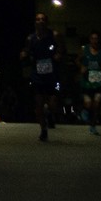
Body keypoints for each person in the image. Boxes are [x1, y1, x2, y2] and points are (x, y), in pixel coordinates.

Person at [20, 12, 63, 141]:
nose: (40, 22)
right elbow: (26, 50)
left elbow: (61, 49)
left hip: (52, 74)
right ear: (35, 22)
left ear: (47, 22)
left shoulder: (54, 35)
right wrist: (23, 54)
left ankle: (50, 114)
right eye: (38, 19)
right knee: (38, 104)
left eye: (43, 19)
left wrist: (58, 55)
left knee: (52, 103)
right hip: (37, 74)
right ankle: (43, 129)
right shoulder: (31, 38)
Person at [78, 30, 101, 133]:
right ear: (90, 39)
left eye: (97, 38)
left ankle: (93, 125)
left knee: (96, 104)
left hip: (98, 81)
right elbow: (77, 60)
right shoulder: (84, 49)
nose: (95, 41)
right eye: (93, 38)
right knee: (88, 104)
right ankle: (85, 111)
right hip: (86, 81)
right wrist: (81, 66)